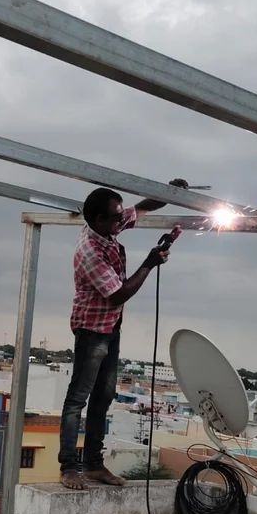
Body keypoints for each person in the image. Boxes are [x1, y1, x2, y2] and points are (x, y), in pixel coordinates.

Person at [59, 179, 189, 490]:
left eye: (120, 215)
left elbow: (142, 208)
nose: (122, 219)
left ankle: (93, 464)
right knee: (78, 399)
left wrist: (169, 193)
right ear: (99, 220)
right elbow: (118, 294)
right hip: (92, 330)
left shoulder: (108, 228)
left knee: (103, 396)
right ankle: (69, 467)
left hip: (109, 327)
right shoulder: (89, 250)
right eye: (116, 217)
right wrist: (150, 262)